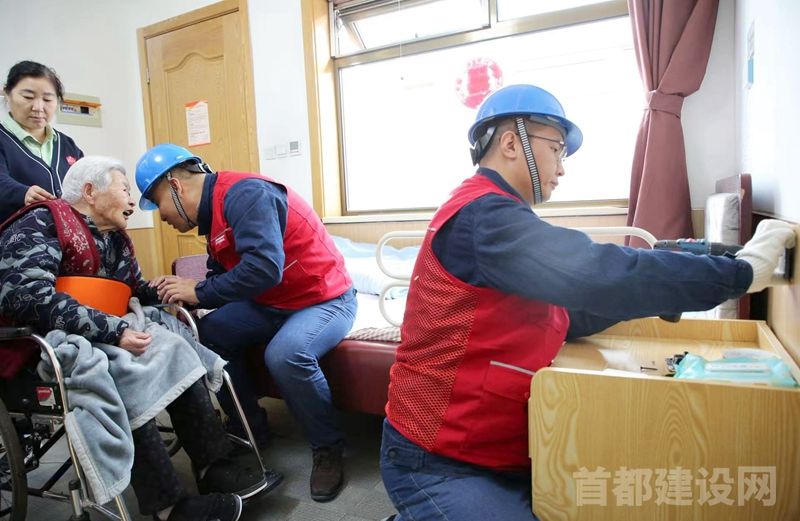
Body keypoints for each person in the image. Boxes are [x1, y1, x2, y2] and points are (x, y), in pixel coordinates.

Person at [379, 84, 796, 521]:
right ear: (511, 144)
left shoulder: (493, 215)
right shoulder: (484, 217)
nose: (562, 168)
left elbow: (565, 314)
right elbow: (595, 271)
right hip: (437, 459)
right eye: (556, 149)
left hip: (491, 449)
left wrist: (661, 295)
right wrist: (739, 275)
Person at [0, 156, 277, 521]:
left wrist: (171, 290)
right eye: (125, 189)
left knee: (176, 347)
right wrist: (113, 331)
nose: (134, 201)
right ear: (90, 192)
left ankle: (214, 465)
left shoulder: (114, 238)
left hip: (104, 332)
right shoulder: (41, 221)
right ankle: (169, 506)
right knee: (125, 372)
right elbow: (25, 296)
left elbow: (130, 288)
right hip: (42, 347)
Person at [135, 144, 358, 502]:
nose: (161, 217)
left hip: (324, 298)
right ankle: (250, 429)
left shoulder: (247, 194)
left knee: (286, 354)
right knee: (209, 334)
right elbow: (224, 273)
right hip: (273, 302)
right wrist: (189, 294)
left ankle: (328, 447)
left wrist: (199, 291)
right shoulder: (213, 216)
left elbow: (264, 269)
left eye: (157, 203)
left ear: (175, 186)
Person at [0, 60, 83, 222]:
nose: (38, 107)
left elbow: (86, 182)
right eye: (28, 97)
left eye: (47, 99)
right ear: (7, 95)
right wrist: (23, 193)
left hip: (66, 235)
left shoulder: (67, 144)